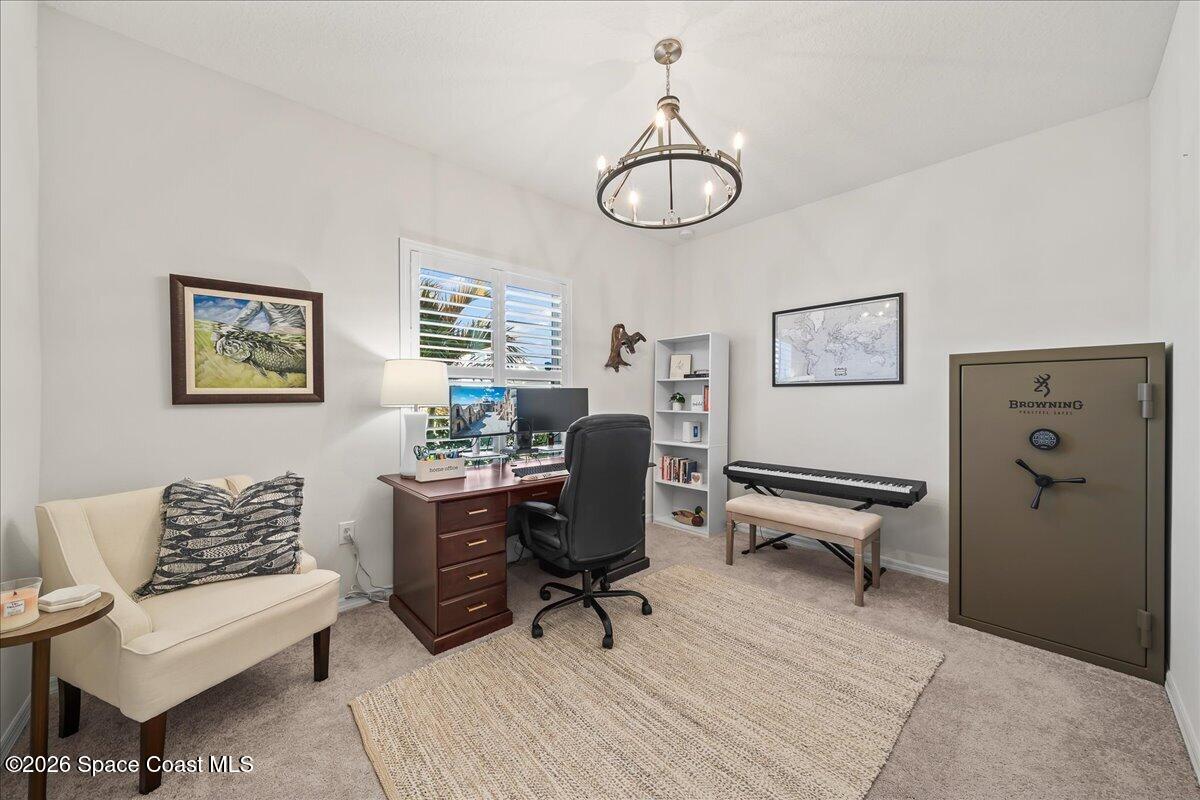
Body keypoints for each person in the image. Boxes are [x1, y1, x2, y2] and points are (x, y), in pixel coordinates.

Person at [233, 300, 306, 334]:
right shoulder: (296, 295)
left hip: (276, 334)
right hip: (299, 332)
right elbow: (307, 314)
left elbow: (246, 314)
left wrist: (232, 329)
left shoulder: (261, 295)